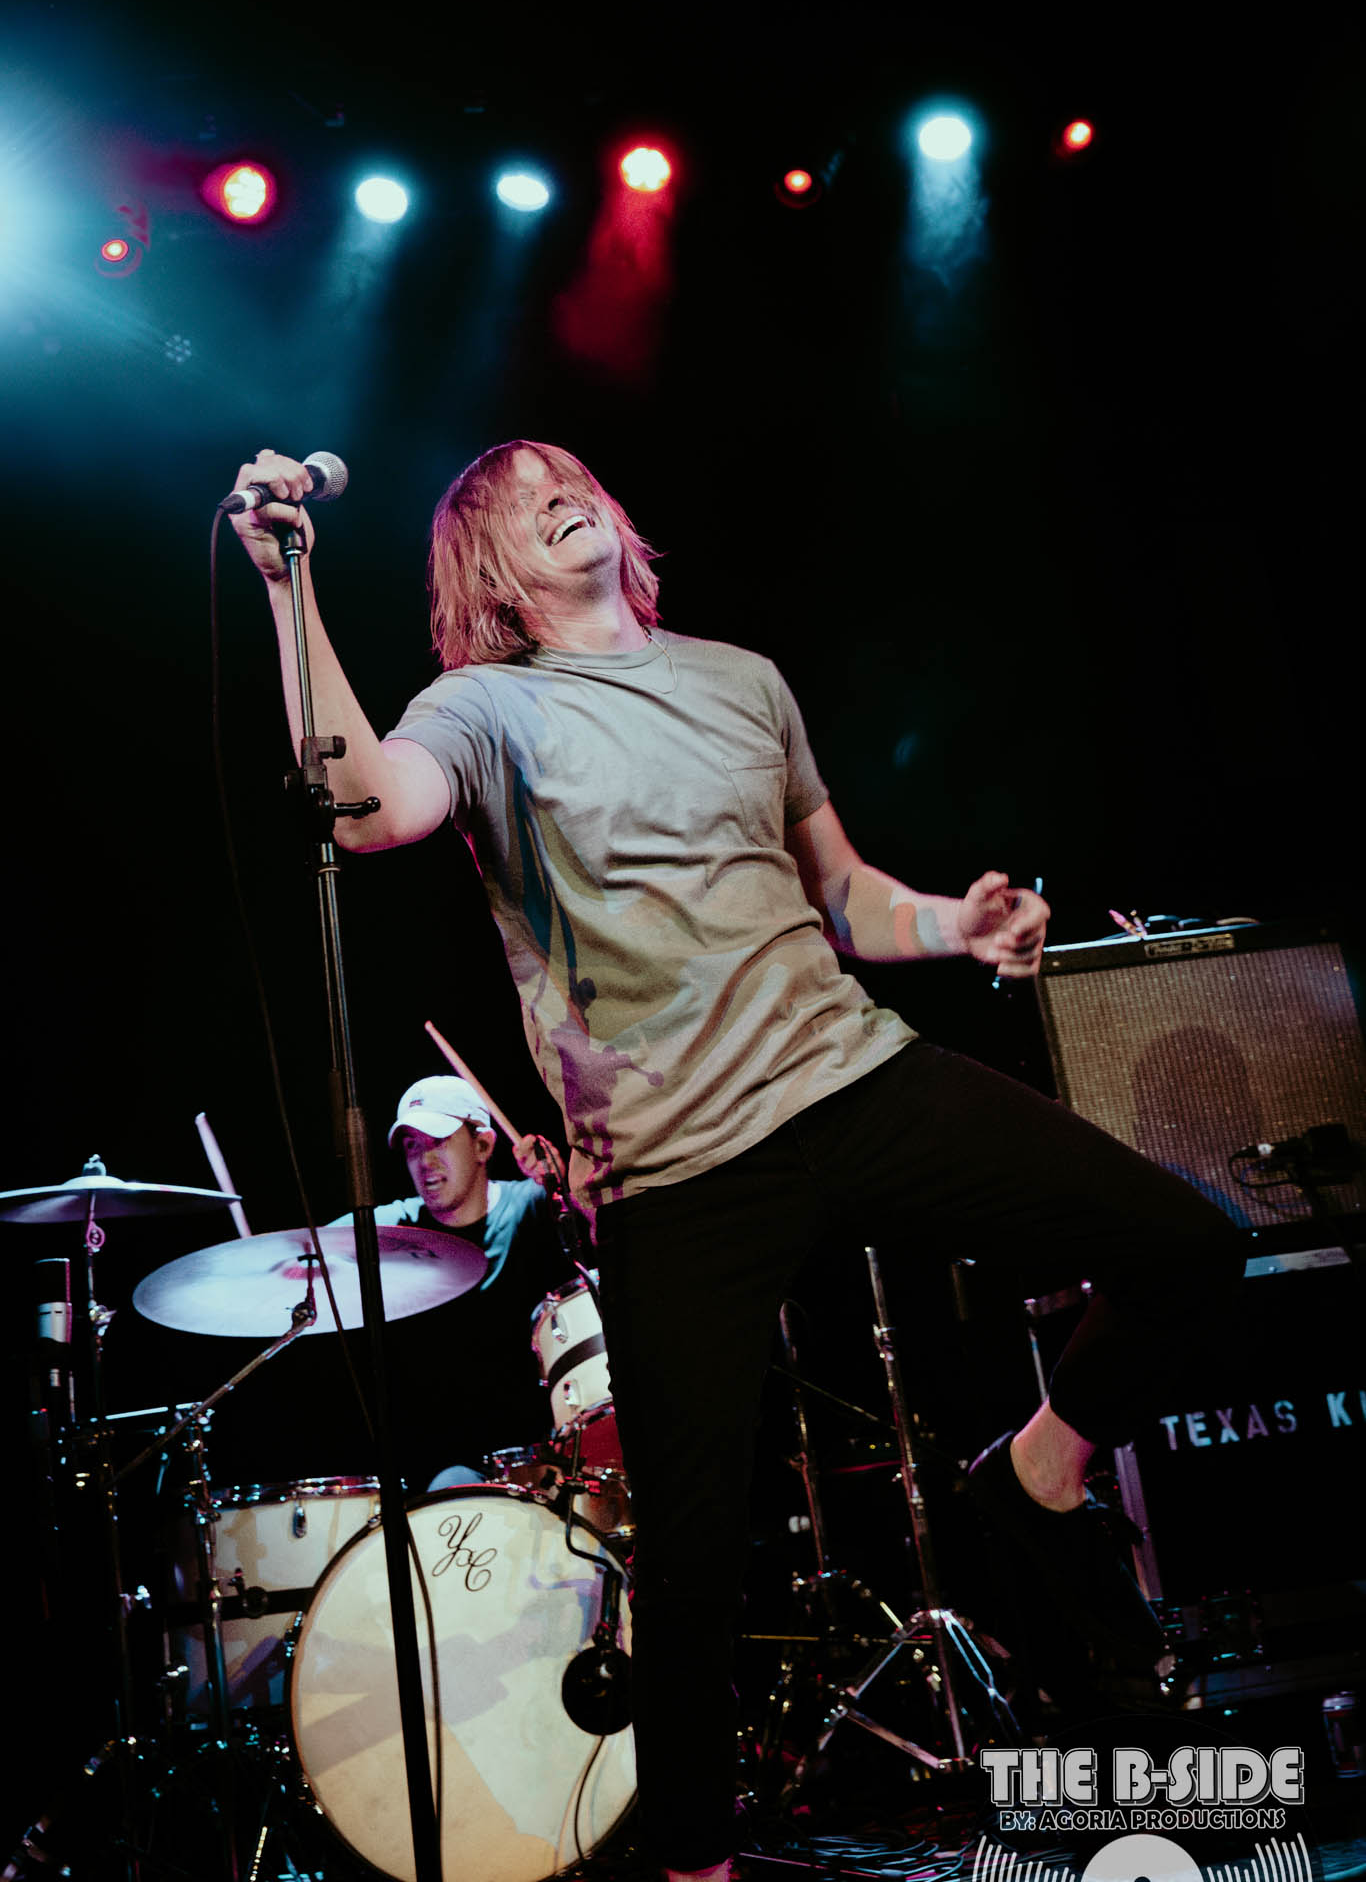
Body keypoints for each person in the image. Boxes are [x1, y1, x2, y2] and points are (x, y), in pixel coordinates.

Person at [228, 440, 1243, 1882]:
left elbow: (840, 895)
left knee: (1190, 1247)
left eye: (568, 475)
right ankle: (695, 1867)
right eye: (516, 496)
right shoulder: (484, 705)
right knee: (697, 1556)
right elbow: (370, 805)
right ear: (490, 569)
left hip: (849, 1074)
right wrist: (289, 587)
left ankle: (1031, 1474)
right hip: (679, 1166)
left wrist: (953, 924)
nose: (554, 492)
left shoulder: (741, 680)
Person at [331, 1071, 571, 1491]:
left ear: (483, 1146)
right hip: (446, 1466)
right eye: (412, 1146)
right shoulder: (399, 1227)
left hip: (545, 1452)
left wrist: (562, 1185)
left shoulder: (534, 1207)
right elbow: (313, 1247)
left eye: (438, 1141)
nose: (424, 1162)